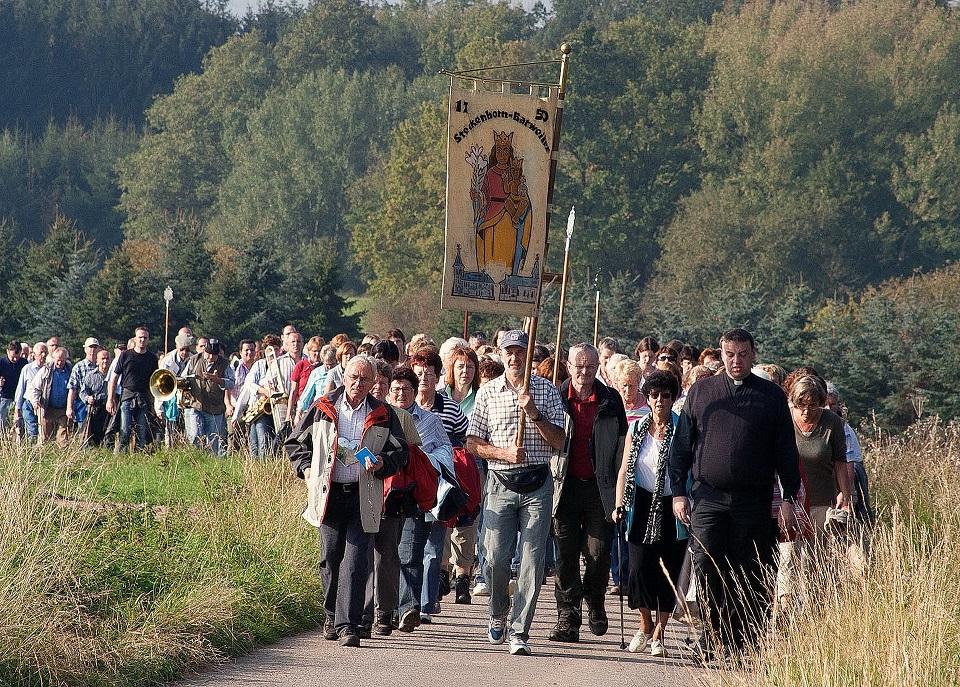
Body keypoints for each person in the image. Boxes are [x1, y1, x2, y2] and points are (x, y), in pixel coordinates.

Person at [668, 328, 801, 660]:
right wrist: (677, 493)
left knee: (752, 570)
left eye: (742, 354)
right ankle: (713, 636)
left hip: (753, 500)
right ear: (721, 353)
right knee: (707, 567)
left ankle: (745, 642)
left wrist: (788, 498)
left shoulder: (770, 397)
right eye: (729, 354)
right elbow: (682, 446)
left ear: (753, 353)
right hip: (708, 498)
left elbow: (786, 451)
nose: (736, 360)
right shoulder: (701, 393)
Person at [285, 355, 409, 647]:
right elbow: (295, 443)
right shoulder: (323, 407)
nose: (358, 383)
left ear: (373, 383)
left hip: (362, 496)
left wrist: (381, 463)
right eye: (354, 377)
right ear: (345, 376)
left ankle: (348, 626)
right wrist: (307, 471)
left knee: (356, 563)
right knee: (329, 558)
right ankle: (331, 615)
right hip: (329, 496)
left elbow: (401, 454)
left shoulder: (384, 413)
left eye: (365, 379)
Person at [465, 329, 566, 656]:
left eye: (520, 351)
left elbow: (561, 442)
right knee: (494, 558)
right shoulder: (488, 392)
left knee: (533, 563)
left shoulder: (546, 391)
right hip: (500, 483)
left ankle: (520, 631)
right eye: (508, 351)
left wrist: (533, 412)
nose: (514, 357)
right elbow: (472, 442)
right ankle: (498, 611)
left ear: (528, 354)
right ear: (500, 353)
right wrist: (503, 453)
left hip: (537, 484)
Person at [548, 343, 627, 643]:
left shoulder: (610, 400)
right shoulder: (556, 397)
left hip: (599, 487)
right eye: (578, 366)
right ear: (568, 367)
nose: (584, 372)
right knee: (565, 554)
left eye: (590, 366)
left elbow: (622, 447)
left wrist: (620, 493)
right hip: (564, 484)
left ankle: (595, 600)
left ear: (599, 368)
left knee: (598, 552)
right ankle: (568, 615)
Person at [614, 370, 687, 657]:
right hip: (640, 503)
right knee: (638, 569)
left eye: (666, 396)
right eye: (654, 395)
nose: (659, 401)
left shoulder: (683, 429)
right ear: (648, 397)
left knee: (668, 570)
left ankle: (659, 633)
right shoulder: (638, 427)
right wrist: (619, 504)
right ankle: (644, 624)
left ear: (673, 398)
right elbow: (623, 470)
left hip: (673, 505)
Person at [389, 365, 454, 632]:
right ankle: (386, 608)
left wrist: (424, 461)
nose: (401, 393)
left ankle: (408, 609)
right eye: (396, 389)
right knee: (386, 555)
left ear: (415, 392)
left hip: (417, 497)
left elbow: (446, 451)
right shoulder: (381, 418)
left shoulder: (430, 421)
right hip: (386, 497)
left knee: (412, 554)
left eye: (406, 389)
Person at [788, 376, 851, 533]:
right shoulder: (783, 419)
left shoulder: (832, 422)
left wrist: (845, 498)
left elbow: (840, 462)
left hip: (822, 501)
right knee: (790, 555)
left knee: (820, 554)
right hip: (790, 502)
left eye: (812, 405)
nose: (806, 411)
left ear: (821, 403)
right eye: (801, 405)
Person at [825, 382, 872, 524]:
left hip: (848, 481)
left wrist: (845, 495)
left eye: (832, 404)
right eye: (825, 404)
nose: (828, 408)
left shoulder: (842, 427)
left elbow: (848, 464)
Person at [107, 326, 159, 452]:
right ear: (135, 338)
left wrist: (153, 403)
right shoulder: (125, 355)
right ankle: (120, 460)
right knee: (124, 431)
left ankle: (140, 460)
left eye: (145, 337)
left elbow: (155, 382)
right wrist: (110, 399)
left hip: (144, 398)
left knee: (142, 432)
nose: (142, 340)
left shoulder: (152, 358)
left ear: (148, 340)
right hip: (127, 397)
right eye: (140, 337)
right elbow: (113, 378)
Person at [187, 338, 235, 456]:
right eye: (207, 354)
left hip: (215, 408)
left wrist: (218, 380)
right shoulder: (194, 360)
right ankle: (196, 460)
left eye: (213, 355)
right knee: (195, 435)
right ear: (204, 351)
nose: (209, 358)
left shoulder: (224, 363)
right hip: (196, 405)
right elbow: (184, 376)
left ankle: (210, 464)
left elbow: (232, 383)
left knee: (213, 441)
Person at [29, 346, 73, 447]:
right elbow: (34, 387)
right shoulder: (46, 370)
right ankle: (43, 457)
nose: (59, 363)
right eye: (58, 360)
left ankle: (63, 459)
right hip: (47, 408)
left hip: (63, 409)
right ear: (54, 359)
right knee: (45, 439)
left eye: (62, 360)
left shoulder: (70, 370)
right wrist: (35, 401)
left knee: (63, 440)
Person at [14, 342, 47, 442]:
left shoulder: (49, 369)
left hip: (44, 404)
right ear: (34, 354)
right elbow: (21, 388)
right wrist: (17, 408)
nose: (43, 355)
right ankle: (31, 452)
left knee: (44, 432)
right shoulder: (27, 369)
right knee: (32, 431)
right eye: (41, 352)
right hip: (28, 404)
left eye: (45, 352)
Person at [66, 338, 101, 431]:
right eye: (90, 347)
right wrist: (69, 407)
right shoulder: (78, 367)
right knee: (84, 433)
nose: (92, 350)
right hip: (82, 406)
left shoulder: (103, 365)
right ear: (85, 349)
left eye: (95, 347)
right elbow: (72, 388)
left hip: (100, 405)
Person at [79, 348, 111, 447]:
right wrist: (88, 398)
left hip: (110, 410)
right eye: (102, 358)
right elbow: (83, 392)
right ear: (97, 361)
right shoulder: (90, 376)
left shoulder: (114, 376)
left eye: (107, 358)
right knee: (92, 437)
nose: (105, 361)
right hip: (95, 410)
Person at [0, 340, 26, 433]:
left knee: (19, 425)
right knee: (3, 424)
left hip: (20, 398)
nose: (15, 359)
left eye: (17, 357)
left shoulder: (24, 363)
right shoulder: (1, 362)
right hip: (5, 397)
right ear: (7, 351)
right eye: (13, 357)